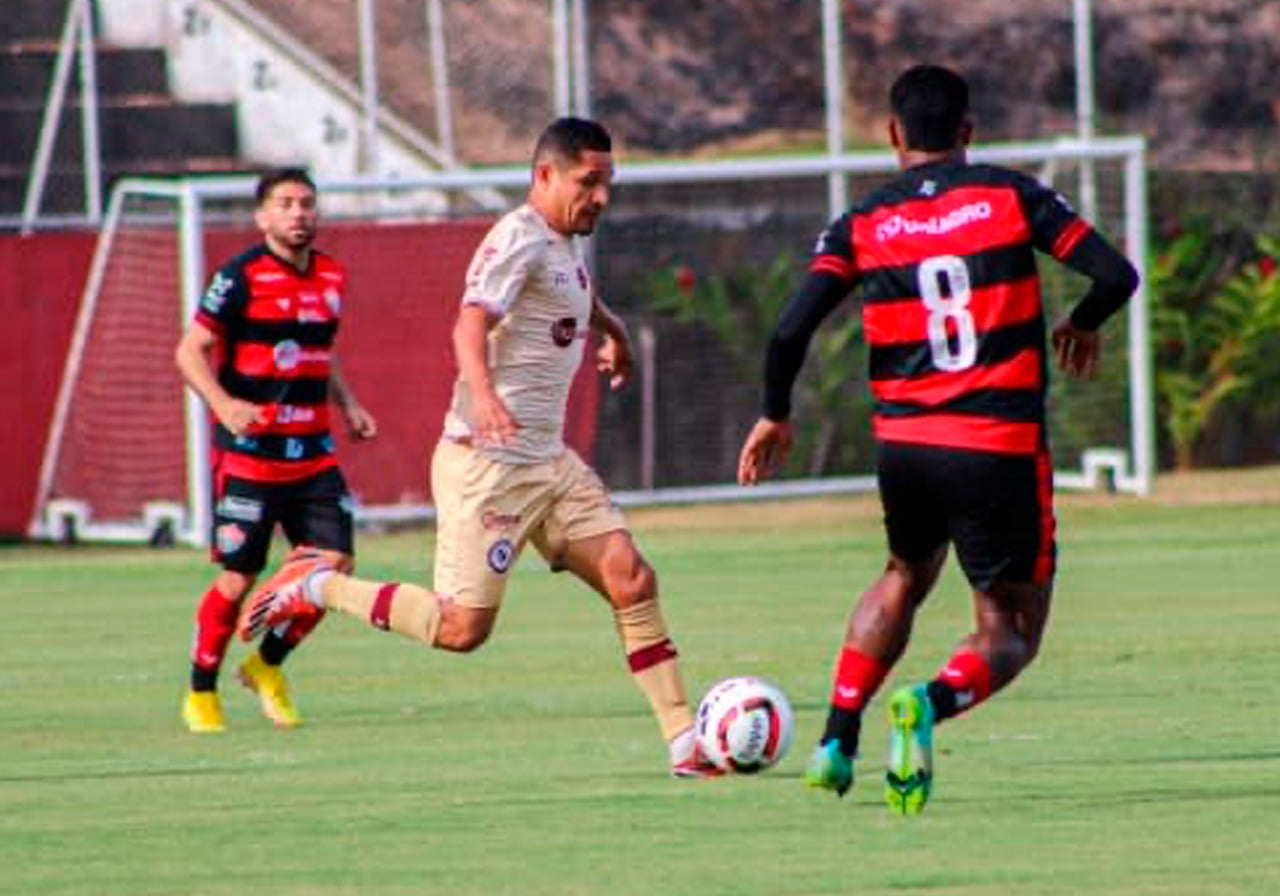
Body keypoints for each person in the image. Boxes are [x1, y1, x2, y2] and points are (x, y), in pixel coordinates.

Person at [238, 118, 719, 778]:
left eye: (609, 182)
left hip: (548, 463)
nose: (603, 196)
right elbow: (469, 322)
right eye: (590, 182)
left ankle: (685, 745)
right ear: (545, 176)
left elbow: (569, 293)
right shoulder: (517, 239)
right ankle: (319, 585)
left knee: (631, 579)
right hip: (486, 465)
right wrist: (486, 395)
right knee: (460, 631)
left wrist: (614, 332)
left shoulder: (559, 241)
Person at [737, 64, 1139, 813]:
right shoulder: (1011, 195)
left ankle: (835, 739)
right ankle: (927, 702)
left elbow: (790, 328)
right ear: (968, 133)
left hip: (906, 450)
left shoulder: (862, 222)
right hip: (996, 444)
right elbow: (1116, 274)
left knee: (902, 575)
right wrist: (1081, 323)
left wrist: (774, 412)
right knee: (1010, 629)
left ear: (893, 136)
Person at [175, 167, 377, 733]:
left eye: (307, 203)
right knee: (239, 580)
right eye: (285, 203)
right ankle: (201, 693)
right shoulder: (239, 277)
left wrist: (349, 404)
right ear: (263, 216)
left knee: (335, 567)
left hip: (312, 453)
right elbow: (189, 351)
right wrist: (223, 405)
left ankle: (266, 665)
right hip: (250, 457)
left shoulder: (331, 275)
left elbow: (320, 351)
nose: (298, 213)